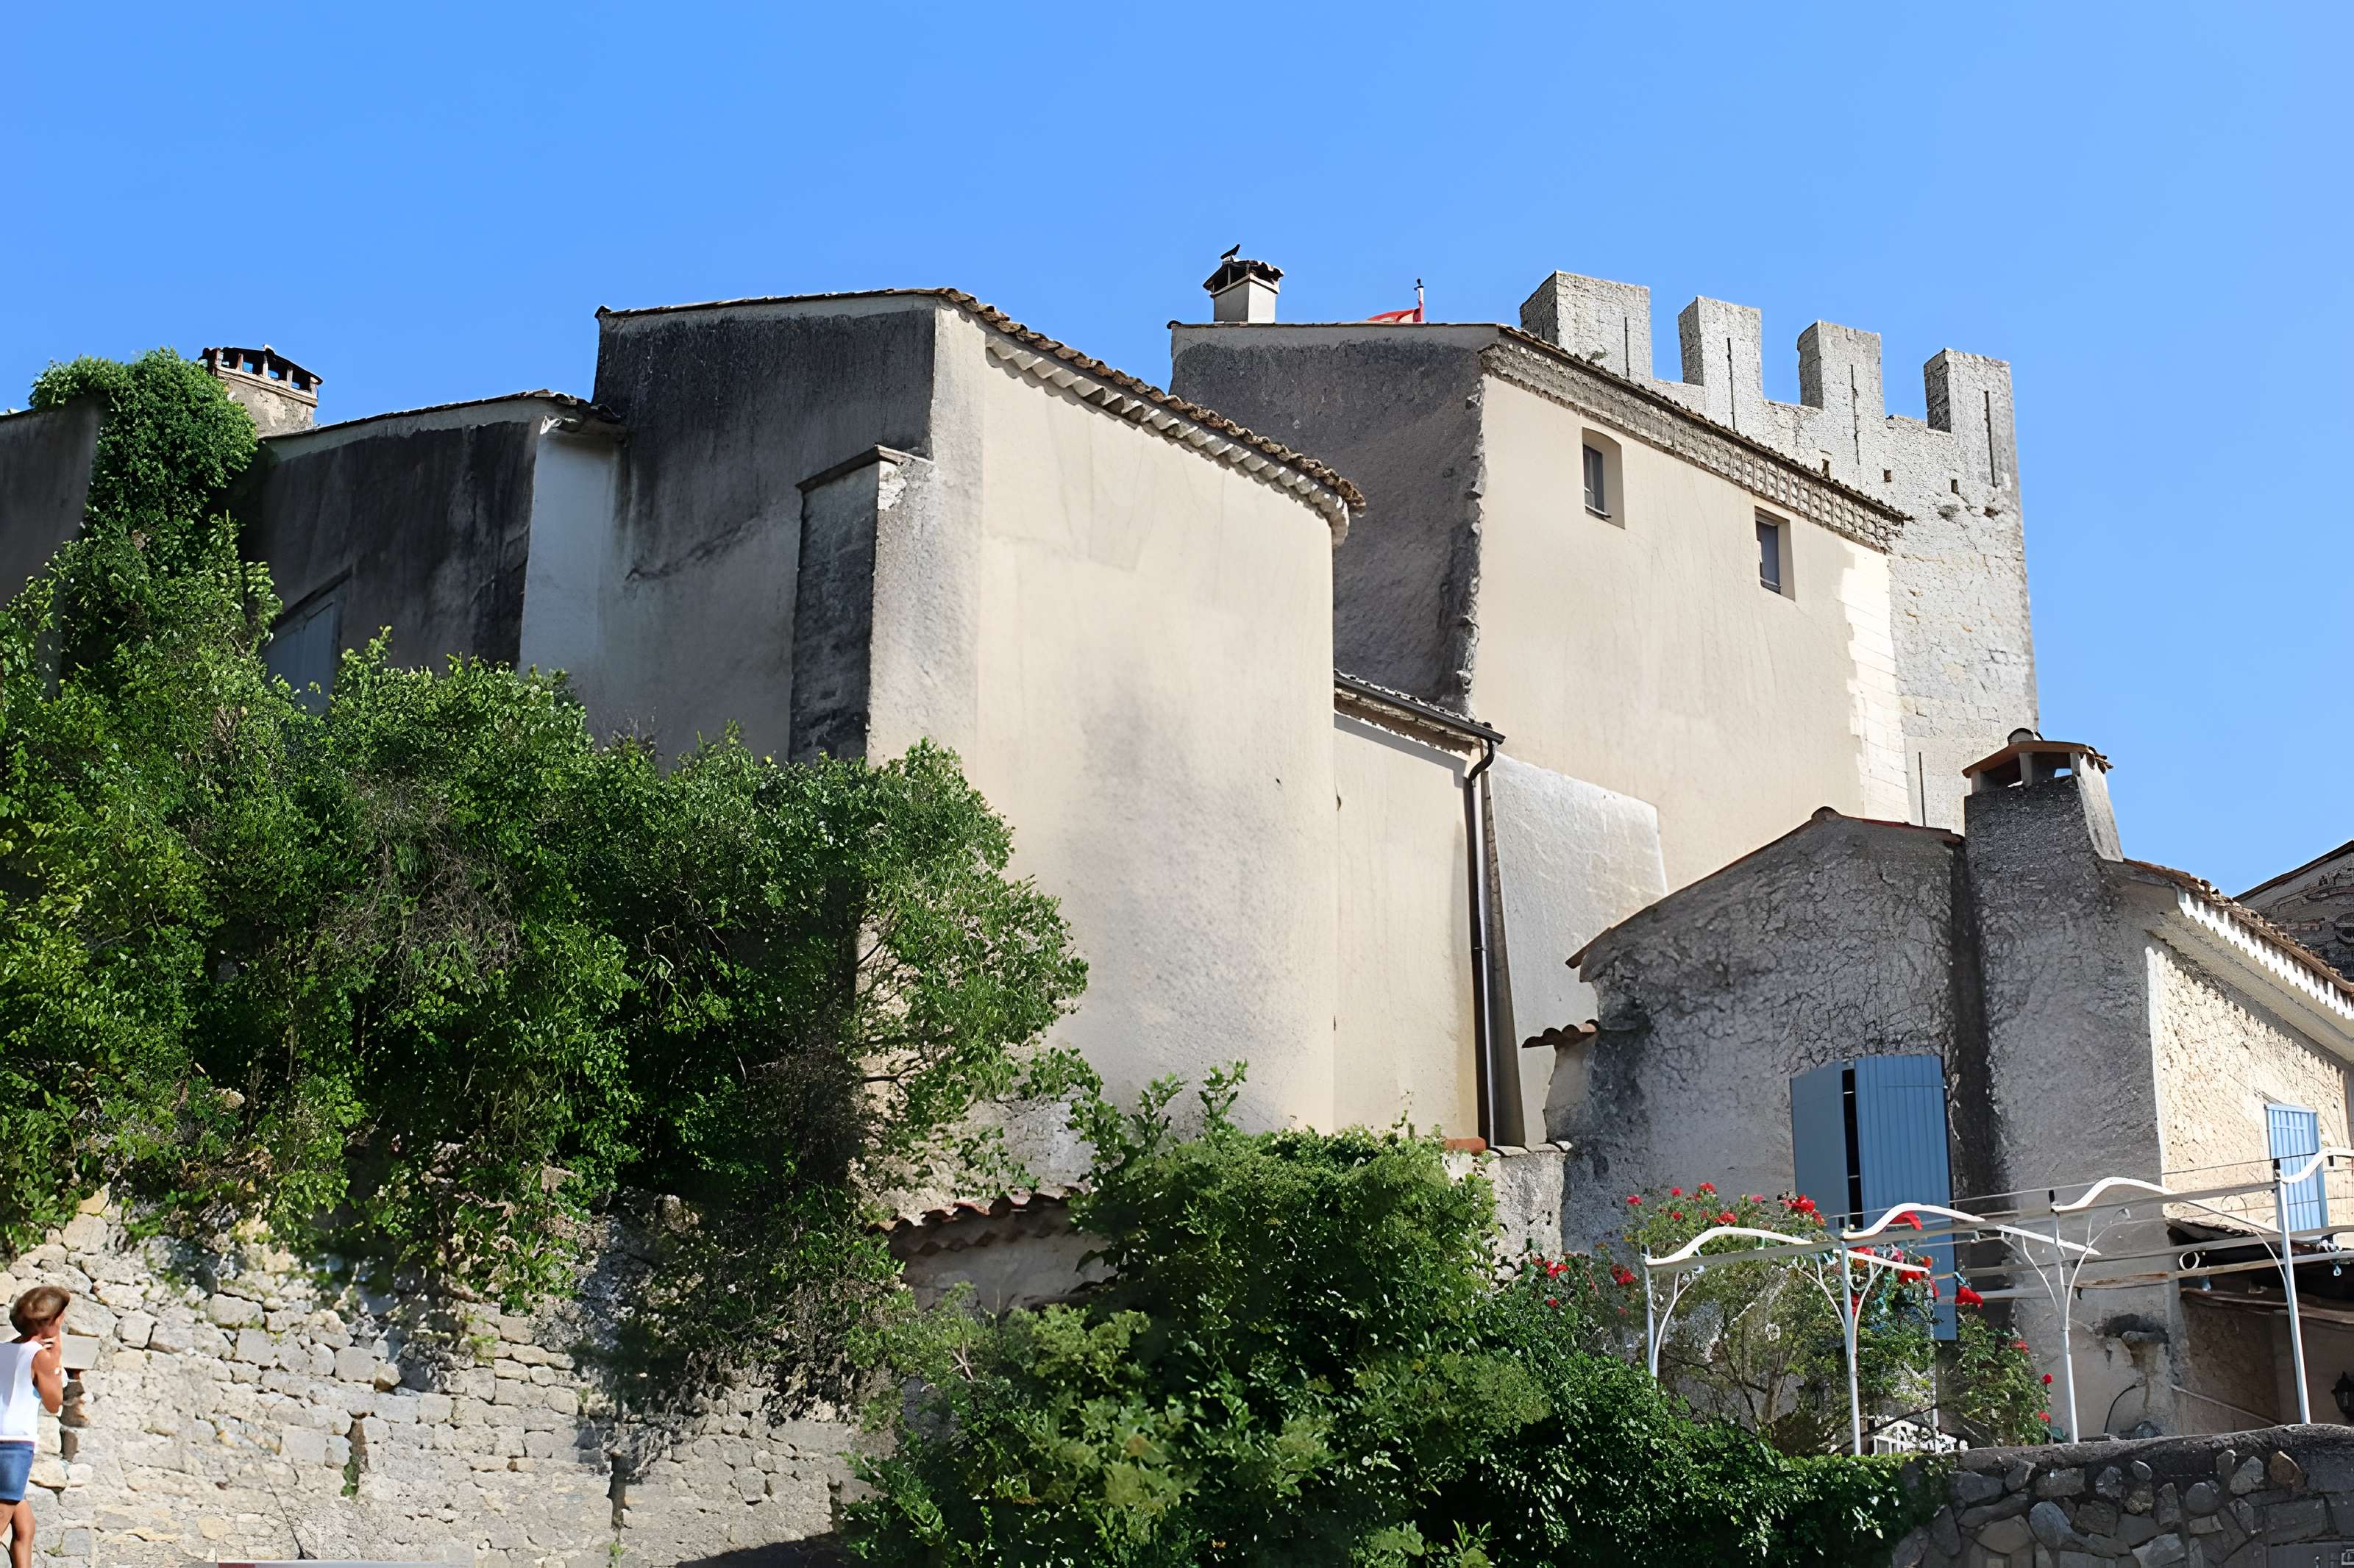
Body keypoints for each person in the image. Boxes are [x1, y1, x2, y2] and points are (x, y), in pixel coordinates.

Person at [0, 1286, 67, 1568]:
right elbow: (55, 1403)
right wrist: (57, 1353)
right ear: (53, 1321)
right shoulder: (40, 1356)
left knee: (25, 1526)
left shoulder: (4, 1349)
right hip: (13, 1449)